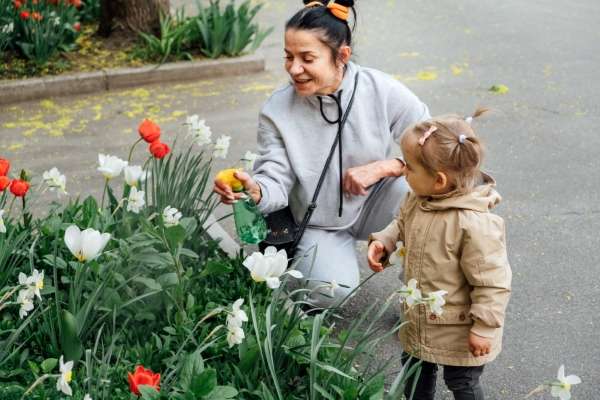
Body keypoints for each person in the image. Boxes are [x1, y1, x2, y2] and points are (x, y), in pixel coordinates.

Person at [214, 0, 430, 306]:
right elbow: (275, 180)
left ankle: (420, 300)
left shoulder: (381, 89)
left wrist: (386, 166)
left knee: (428, 200)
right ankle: (307, 267)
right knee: (332, 291)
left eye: (307, 58)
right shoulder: (277, 110)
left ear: (341, 56)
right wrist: (255, 190)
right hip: (318, 223)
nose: (294, 68)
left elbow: (432, 144)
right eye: (288, 57)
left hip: (377, 202)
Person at [367, 110, 512, 400]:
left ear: (439, 180)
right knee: (414, 368)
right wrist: (385, 241)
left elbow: (492, 282)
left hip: (460, 327)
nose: (403, 171)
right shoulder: (418, 199)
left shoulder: (473, 223)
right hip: (420, 316)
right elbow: (401, 223)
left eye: (410, 167)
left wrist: (483, 328)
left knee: (462, 381)